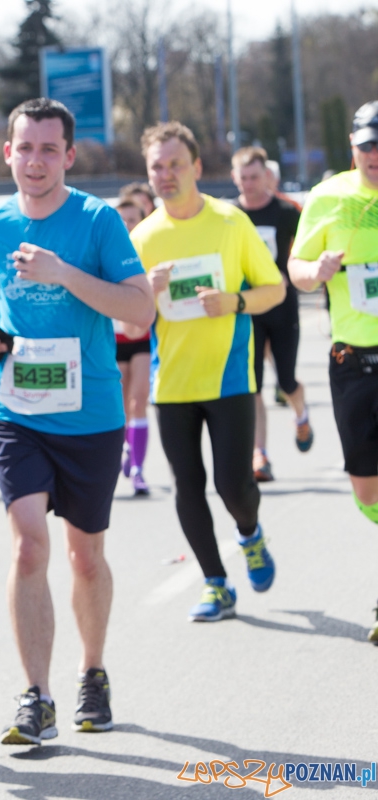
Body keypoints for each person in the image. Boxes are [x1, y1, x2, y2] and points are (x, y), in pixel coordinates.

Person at [0, 99, 154, 745]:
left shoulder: (98, 222)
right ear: (9, 152)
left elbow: (139, 310)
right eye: (25, 148)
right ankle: (35, 695)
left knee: (84, 556)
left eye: (50, 149)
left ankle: (92, 672)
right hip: (15, 407)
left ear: (69, 156)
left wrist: (61, 272)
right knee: (27, 544)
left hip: (91, 413)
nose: (36, 160)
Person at [130, 122, 285, 623]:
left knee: (234, 486)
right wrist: (144, 293)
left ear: (196, 167)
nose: (166, 174)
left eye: (175, 164)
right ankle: (217, 583)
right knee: (187, 487)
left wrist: (234, 301)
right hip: (171, 383)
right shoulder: (143, 236)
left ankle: (250, 532)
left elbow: (275, 288)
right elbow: (124, 320)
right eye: (157, 166)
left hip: (229, 378)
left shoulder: (230, 223)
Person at [287, 99, 378, 643]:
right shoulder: (328, 197)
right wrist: (314, 272)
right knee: (365, 488)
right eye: (367, 146)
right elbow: (295, 269)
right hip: (352, 361)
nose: (376, 156)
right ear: (353, 148)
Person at [229, 146, 311, 482]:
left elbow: (306, 249)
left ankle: (301, 414)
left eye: (254, 176)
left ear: (266, 176)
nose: (249, 183)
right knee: (253, 385)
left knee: (287, 379)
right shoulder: (230, 215)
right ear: (235, 179)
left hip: (282, 305)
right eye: (243, 177)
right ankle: (259, 455)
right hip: (248, 307)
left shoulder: (287, 211)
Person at [113, 198, 153, 496]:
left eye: (133, 219)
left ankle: (138, 468)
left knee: (139, 399)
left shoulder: (147, 254)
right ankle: (125, 448)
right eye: (122, 219)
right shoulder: (105, 253)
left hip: (141, 338)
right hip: (112, 341)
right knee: (120, 405)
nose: (128, 225)